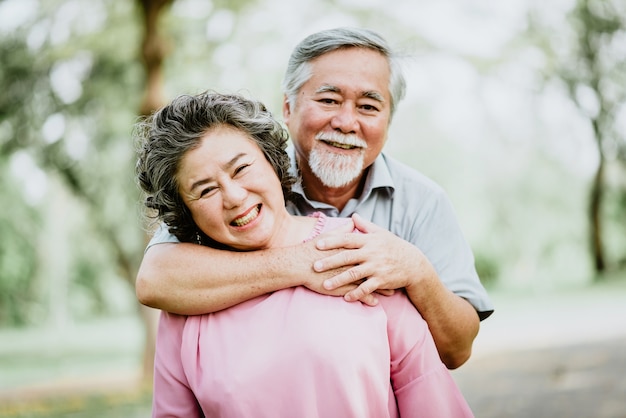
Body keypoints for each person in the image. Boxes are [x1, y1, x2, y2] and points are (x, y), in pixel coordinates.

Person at [136, 27, 494, 369]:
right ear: (288, 108)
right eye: (328, 100)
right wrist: (302, 263)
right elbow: (155, 280)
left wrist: (416, 270)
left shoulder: (424, 201)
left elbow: (457, 350)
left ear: (388, 121)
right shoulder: (248, 186)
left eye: (369, 107)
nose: (346, 122)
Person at [135, 91, 474, 417]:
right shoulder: (187, 302)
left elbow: (425, 388)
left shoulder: (358, 250)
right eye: (206, 189)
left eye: (241, 169)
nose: (234, 196)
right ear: (185, 211)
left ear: (271, 160)